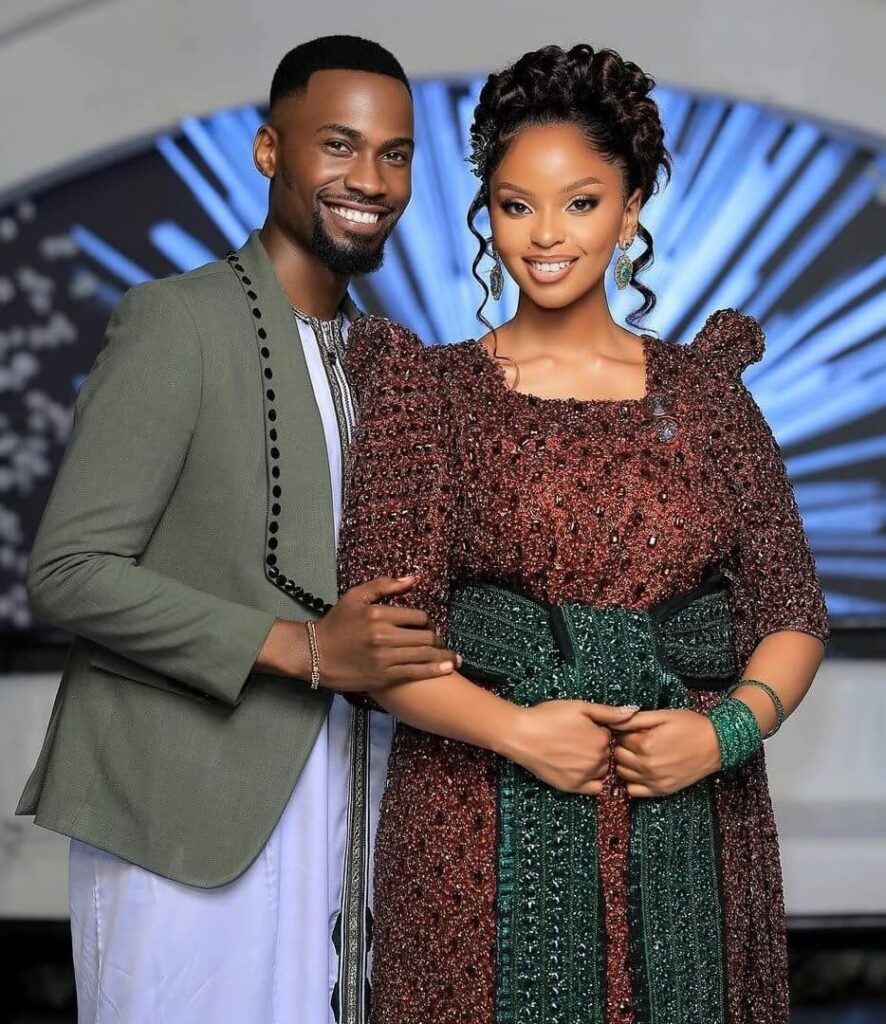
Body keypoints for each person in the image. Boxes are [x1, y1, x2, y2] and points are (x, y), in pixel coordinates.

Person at [337, 44, 829, 1024]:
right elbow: (375, 638)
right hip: (472, 829)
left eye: (580, 202)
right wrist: (516, 731)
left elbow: (791, 610)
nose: (544, 235)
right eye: (515, 205)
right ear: (486, 210)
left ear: (632, 204)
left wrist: (719, 731)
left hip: (693, 820)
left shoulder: (708, 398)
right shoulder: (425, 393)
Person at [18, 35, 464, 1024]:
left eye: (395, 155)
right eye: (339, 145)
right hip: (187, 807)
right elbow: (70, 569)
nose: (371, 179)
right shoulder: (177, 322)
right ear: (270, 151)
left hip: (358, 803)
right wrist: (302, 646)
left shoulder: (393, 360)